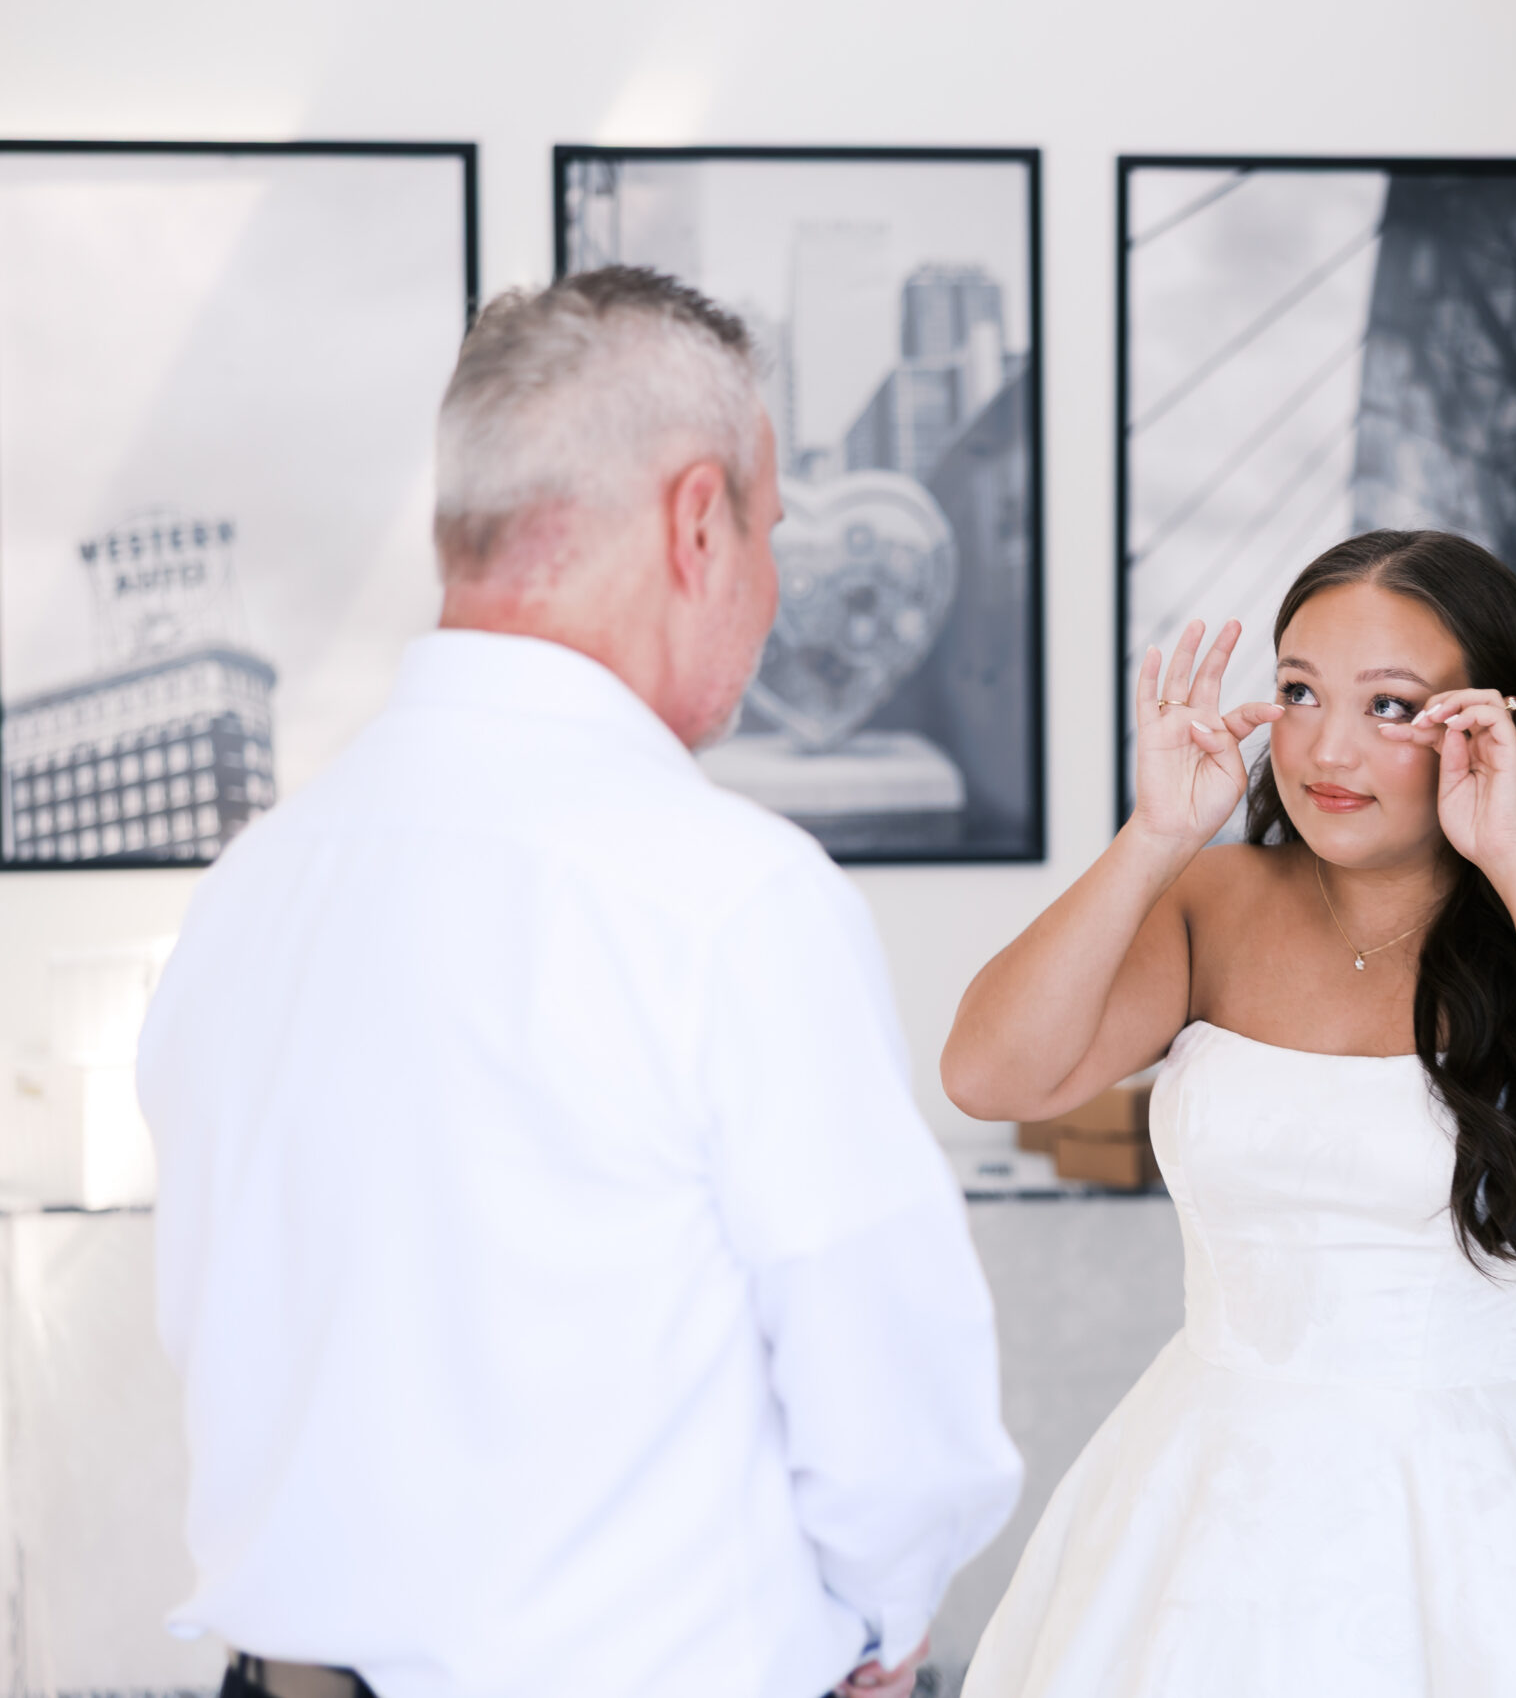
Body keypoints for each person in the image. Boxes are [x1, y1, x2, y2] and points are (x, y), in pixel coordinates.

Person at [137, 268, 1022, 1698]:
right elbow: (888, 1391)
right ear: (696, 522)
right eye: (771, 529)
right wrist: (883, 1614)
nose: (777, 585)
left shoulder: (255, 884)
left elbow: (219, 1322)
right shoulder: (730, 897)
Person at [946, 530, 1516, 1696]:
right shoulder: (1214, 901)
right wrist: (1151, 841)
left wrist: (1515, 855)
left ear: (1489, 723)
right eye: (1296, 691)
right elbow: (990, 1075)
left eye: (1391, 707)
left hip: (1501, 1505)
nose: (1326, 747)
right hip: (1213, 1489)